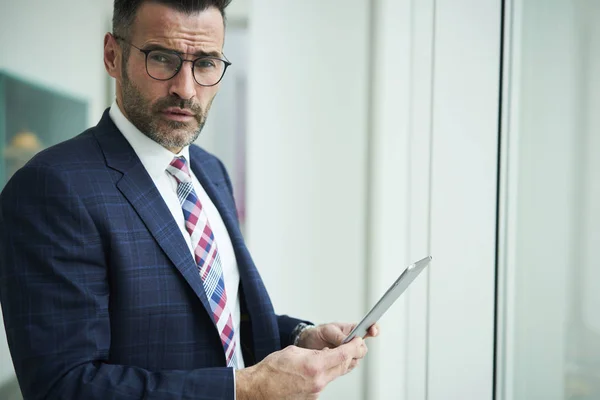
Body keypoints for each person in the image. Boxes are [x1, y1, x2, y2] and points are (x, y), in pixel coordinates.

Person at [0, 1, 378, 399]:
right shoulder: (50, 188)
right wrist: (248, 389)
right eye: (162, 59)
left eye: (206, 63)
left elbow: (220, 315)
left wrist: (301, 337)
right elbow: (63, 387)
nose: (186, 87)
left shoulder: (210, 171)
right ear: (113, 55)